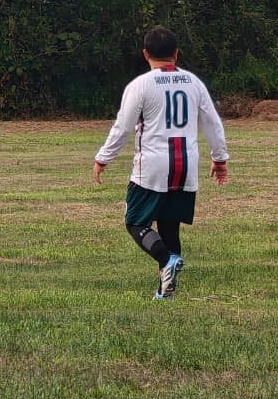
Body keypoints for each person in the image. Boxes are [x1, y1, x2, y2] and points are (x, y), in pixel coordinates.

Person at [93, 26, 229, 300]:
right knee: (169, 225)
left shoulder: (141, 85)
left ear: (146, 54)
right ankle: (166, 289)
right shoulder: (193, 82)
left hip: (152, 168)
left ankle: (167, 260)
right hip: (185, 167)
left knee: (135, 222)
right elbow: (212, 122)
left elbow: (123, 127)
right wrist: (220, 158)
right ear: (176, 54)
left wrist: (103, 158)